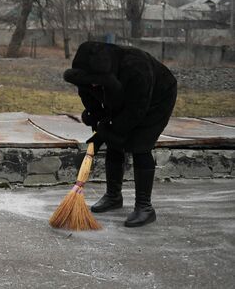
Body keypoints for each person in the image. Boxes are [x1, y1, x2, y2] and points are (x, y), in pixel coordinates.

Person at [63, 41, 177, 227]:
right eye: (89, 81)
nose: (92, 85)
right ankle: (113, 196)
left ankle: (145, 207)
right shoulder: (88, 75)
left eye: (96, 81)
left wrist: (104, 133)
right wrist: (97, 121)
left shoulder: (136, 68)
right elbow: (91, 103)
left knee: (141, 144)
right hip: (122, 96)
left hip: (156, 97)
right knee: (114, 143)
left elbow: (135, 112)